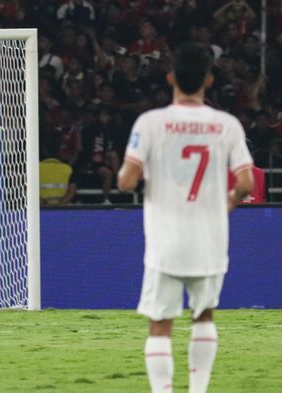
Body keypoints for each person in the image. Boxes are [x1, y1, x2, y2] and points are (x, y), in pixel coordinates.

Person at [117, 43, 254, 393]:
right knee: (204, 316)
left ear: (170, 78)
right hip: (209, 239)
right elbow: (245, 182)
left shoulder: (151, 123)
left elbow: (126, 181)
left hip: (166, 241)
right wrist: (226, 205)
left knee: (160, 323)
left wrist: (152, 172)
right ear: (209, 80)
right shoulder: (227, 125)